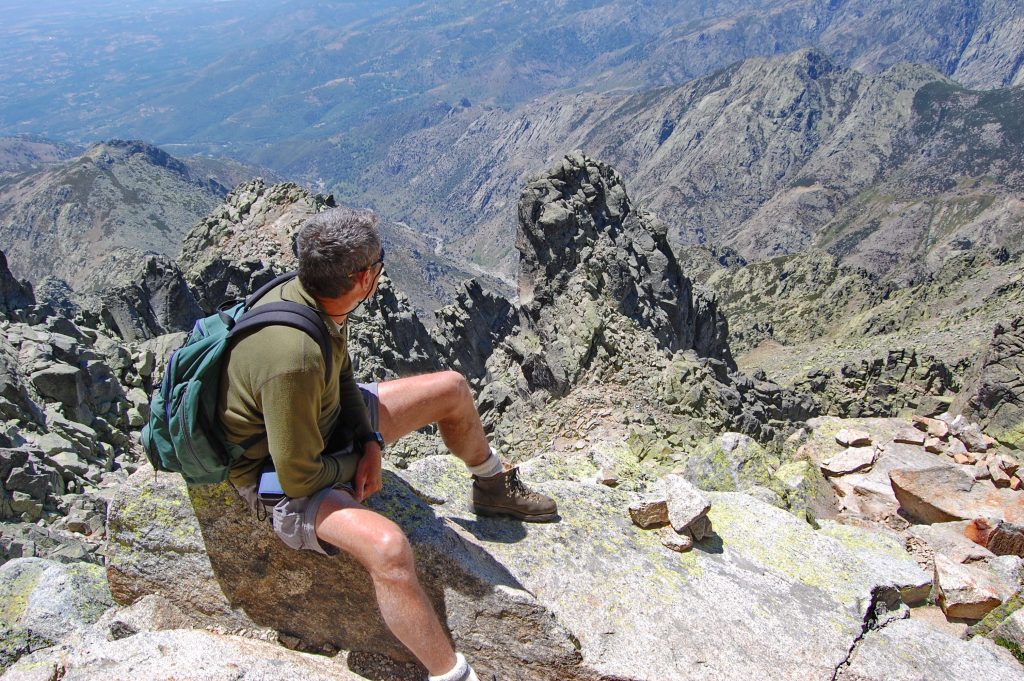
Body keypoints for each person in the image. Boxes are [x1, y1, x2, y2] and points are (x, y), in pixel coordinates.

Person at [217, 206, 558, 681]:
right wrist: (354, 462)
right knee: (389, 549)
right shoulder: (291, 358)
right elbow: (296, 475)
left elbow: (342, 373)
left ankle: (492, 486)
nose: (382, 271)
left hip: (326, 423)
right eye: (380, 262)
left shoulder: (316, 297)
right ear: (362, 278)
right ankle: (452, 676)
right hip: (276, 478)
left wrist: (370, 440)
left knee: (452, 389)